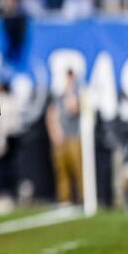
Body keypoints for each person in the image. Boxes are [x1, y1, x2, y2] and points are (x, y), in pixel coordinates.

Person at [46, 70, 83, 205]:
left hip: (74, 136)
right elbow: (51, 114)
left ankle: (81, 198)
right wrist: (54, 132)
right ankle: (64, 199)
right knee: (61, 170)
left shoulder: (78, 95)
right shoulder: (58, 97)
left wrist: (72, 96)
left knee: (78, 169)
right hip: (61, 137)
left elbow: (75, 108)